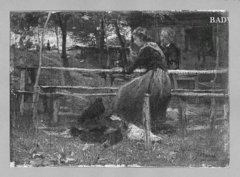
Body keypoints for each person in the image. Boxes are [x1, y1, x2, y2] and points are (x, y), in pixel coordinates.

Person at [114, 27, 172, 132]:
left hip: (155, 78)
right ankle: (147, 123)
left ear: (141, 38)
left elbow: (132, 67)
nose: (135, 42)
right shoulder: (154, 46)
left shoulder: (146, 49)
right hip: (164, 78)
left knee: (125, 91)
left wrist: (122, 70)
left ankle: (133, 122)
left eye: (135, 39)